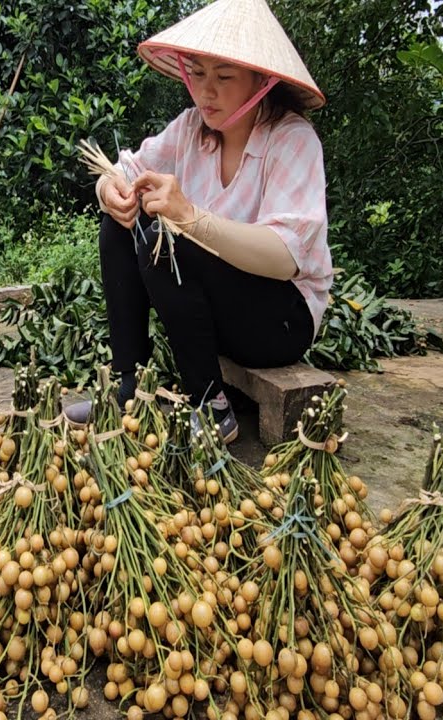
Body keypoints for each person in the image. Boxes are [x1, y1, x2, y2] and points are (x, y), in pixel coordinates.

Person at [64, 0, 333, 443]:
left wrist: (189, 217)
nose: (206, 91)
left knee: (165, 240)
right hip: (216, 312)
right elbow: (124, 169)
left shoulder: (292, 140)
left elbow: (284, 257)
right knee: (122, 227)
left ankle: (210, 405)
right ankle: (129, 387)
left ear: (262, 81)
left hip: (278, 321)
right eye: (198, 74)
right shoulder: (191, 129)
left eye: (224, 77)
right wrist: (108, 190)